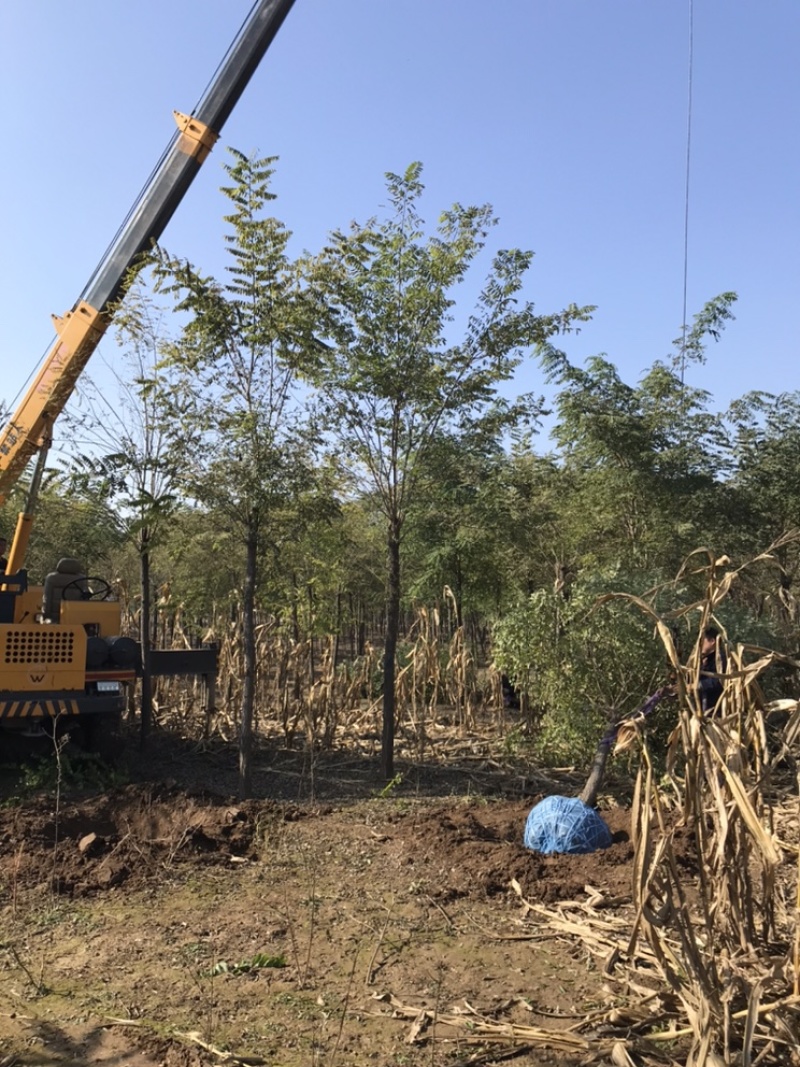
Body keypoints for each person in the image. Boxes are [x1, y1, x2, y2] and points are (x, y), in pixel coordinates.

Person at [698, 625, 727, 714]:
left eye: (702, 641)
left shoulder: (721, 658)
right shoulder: (704, 659)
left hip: (715, 711)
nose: (699, 644)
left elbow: (721, 680)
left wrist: (698, 685)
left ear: (712, 641)